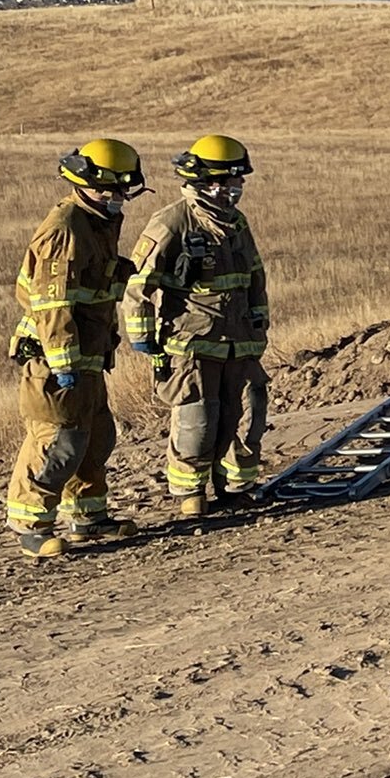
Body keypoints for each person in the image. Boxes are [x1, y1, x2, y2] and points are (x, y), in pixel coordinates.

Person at [6, 141, 147, 556]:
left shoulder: (98, 221)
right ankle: (31, 523)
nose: (120, 199)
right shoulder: (65, 228)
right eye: (112, 190)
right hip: (54, 360)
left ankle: (88, 516)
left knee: (96, 438)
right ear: (86, 183)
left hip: (86, 357)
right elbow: (52, 305)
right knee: (58, 442)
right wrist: (63, 362)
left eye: (125, 191)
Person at [123, 136, 269, 517]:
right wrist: (143, 339)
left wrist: (258, 323)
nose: (232, 190)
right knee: (197, 418)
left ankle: (235, 487)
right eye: (224, 182)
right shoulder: (171, 222)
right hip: (192, 344)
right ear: (203, 181)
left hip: (239, 342)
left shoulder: (236, 223)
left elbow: (254, 276)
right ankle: (191, 493)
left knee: (242, 416)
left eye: (237, 183)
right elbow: (139, 286)